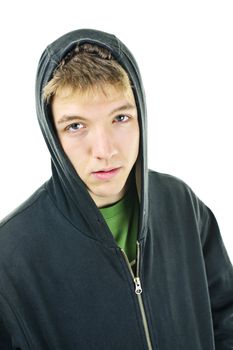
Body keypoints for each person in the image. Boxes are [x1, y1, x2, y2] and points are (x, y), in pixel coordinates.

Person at [0, 28, 232, 350]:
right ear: (52, 134)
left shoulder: (183, 206)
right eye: (76, 126)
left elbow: (226, 319)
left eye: (120, 117)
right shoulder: (10, 256)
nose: (105, 150)